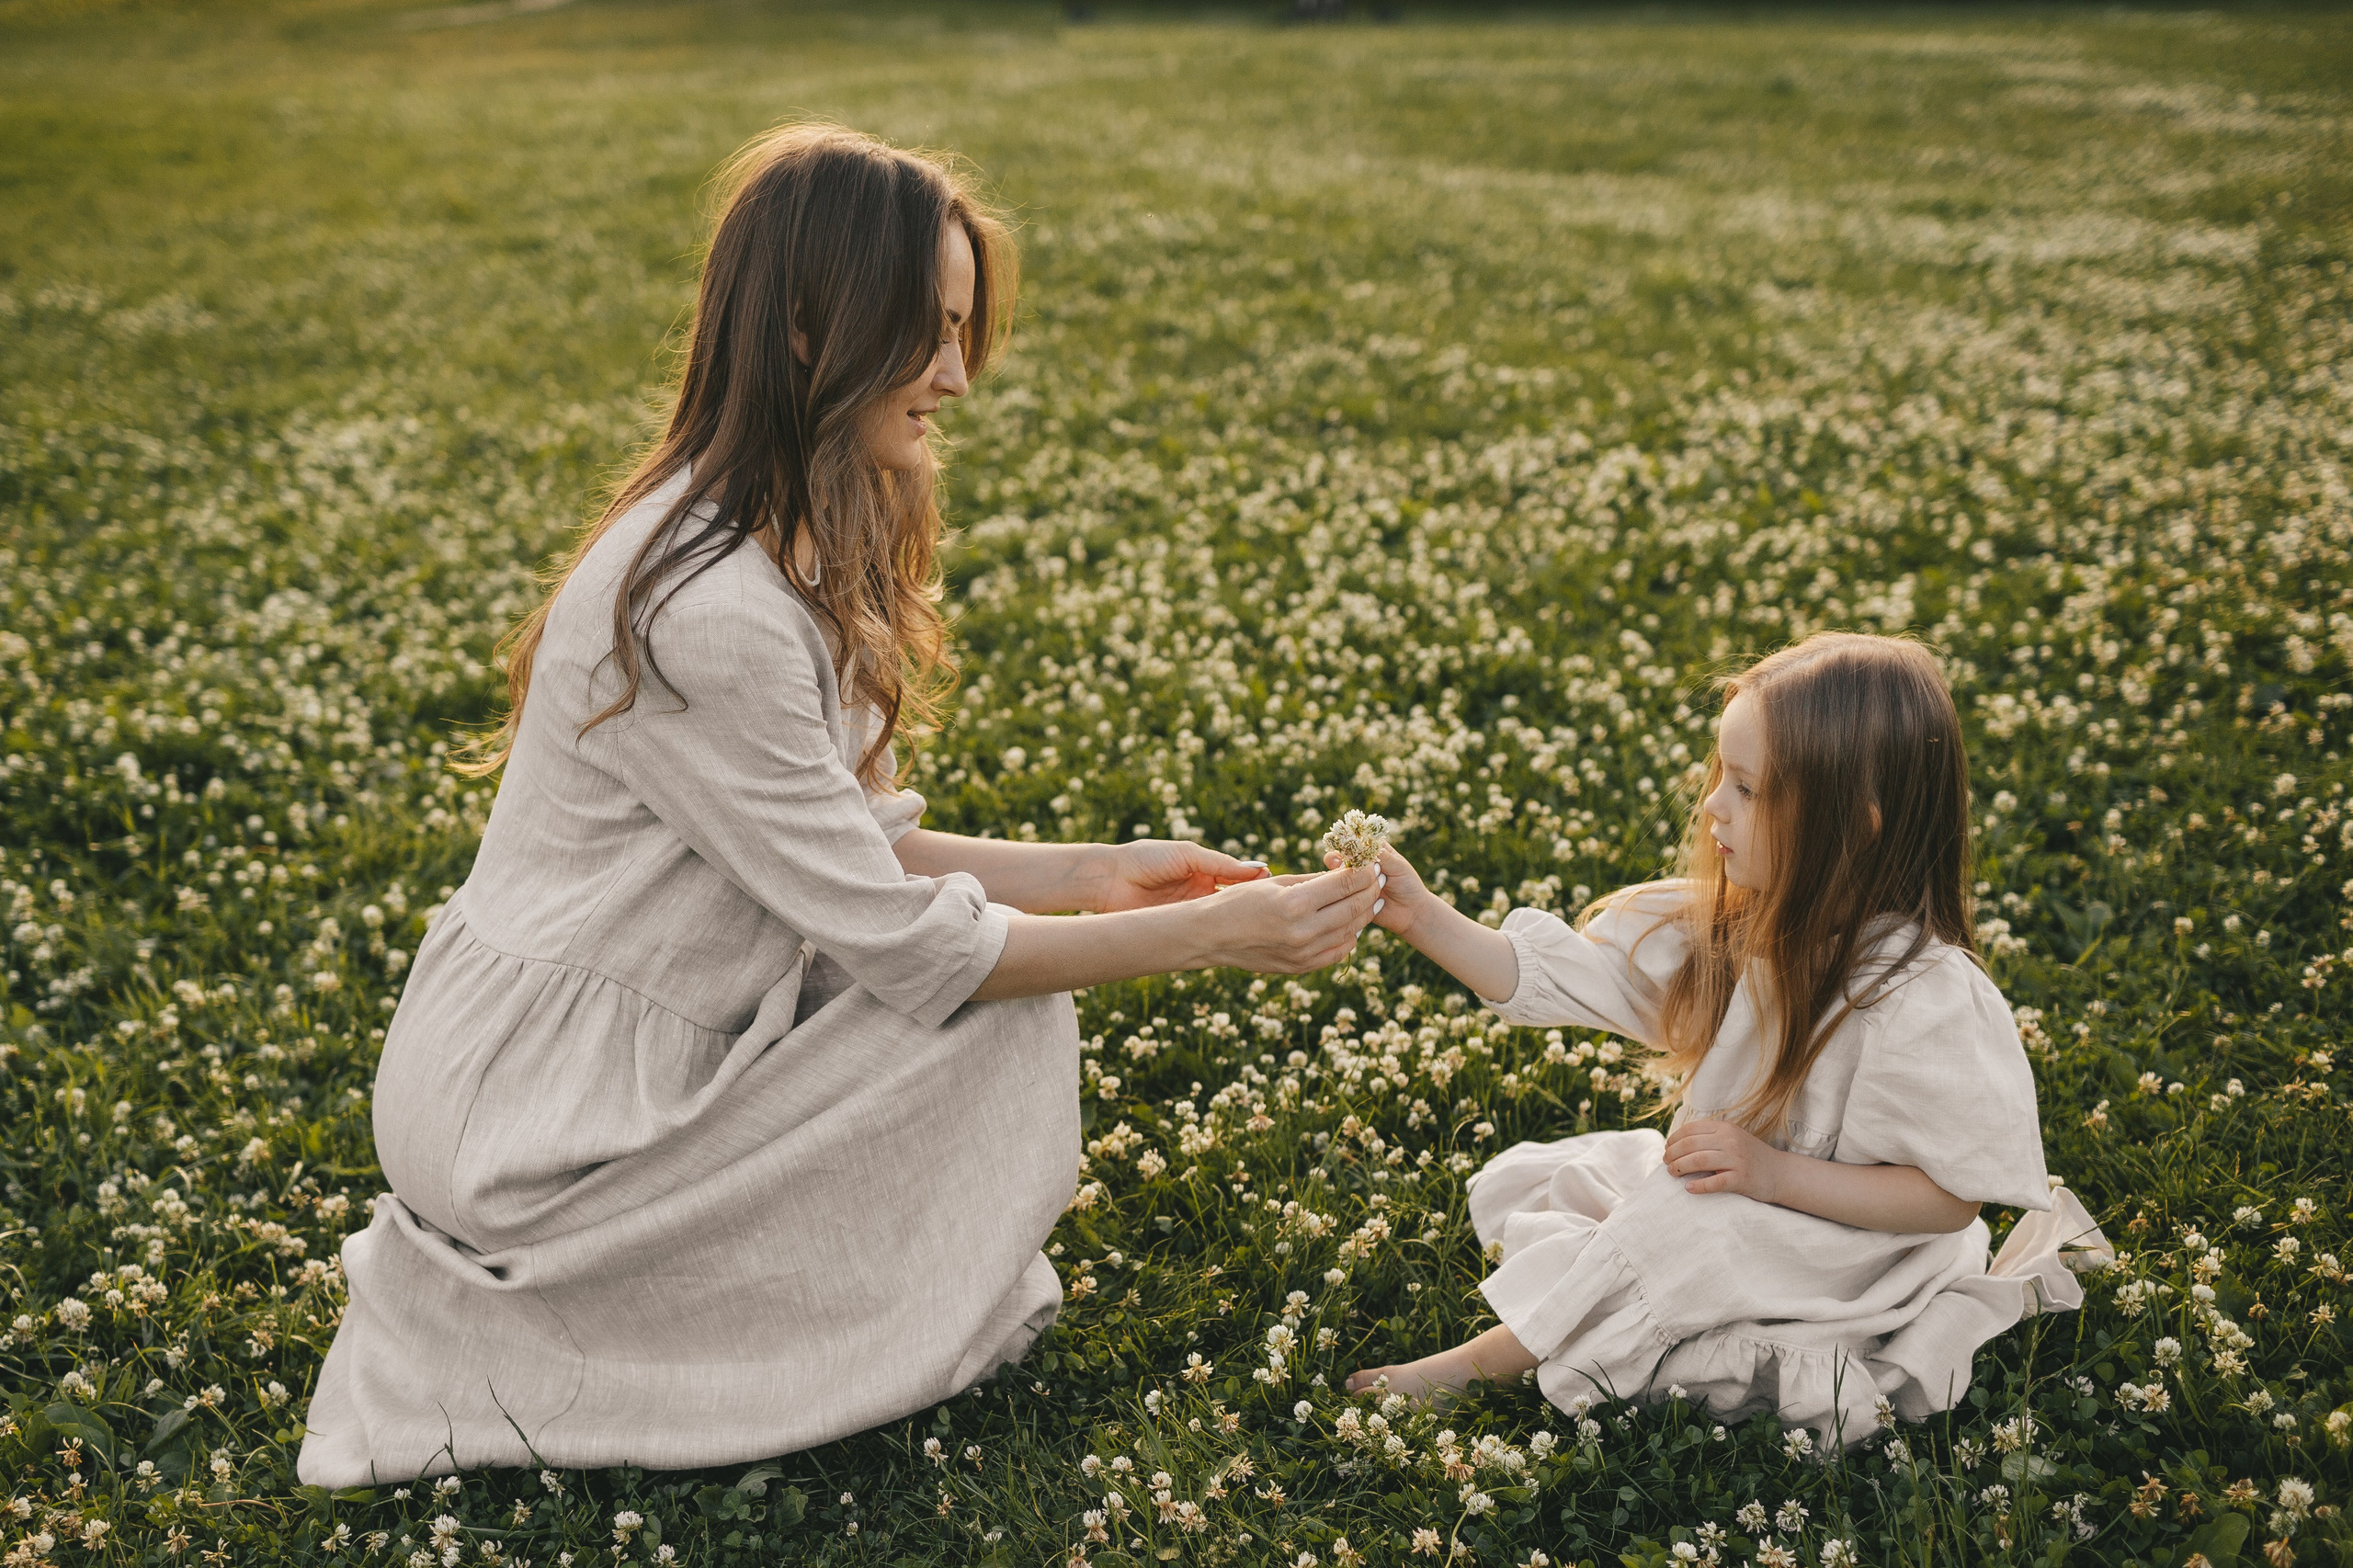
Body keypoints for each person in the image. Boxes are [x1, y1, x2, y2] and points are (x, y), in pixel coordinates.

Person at [296, 124, 1381, 1487]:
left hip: (574, 1049)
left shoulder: (756, 524)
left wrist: (1102, 872)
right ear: (810, 328)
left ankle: (756, 1306)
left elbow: (837, 840)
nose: (956, 376)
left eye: (960, 330)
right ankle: (635, 1330)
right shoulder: (708, 604)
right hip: (537, 1106)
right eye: (925, 332)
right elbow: (915, 945)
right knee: (995, 1004)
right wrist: (1220, 936)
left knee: (997, 977)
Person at [1342, 632, 2109, 1449]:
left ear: (1851, 828)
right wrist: (1422, 916)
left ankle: (1483, 1363)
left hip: (1864, 1256)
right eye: (1720, 775)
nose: (1713, 806)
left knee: (1684, 1219)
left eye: (1745, 788)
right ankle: (1620, 1291)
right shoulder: (1739, 924)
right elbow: (1569, 976)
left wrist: (1775, 1175)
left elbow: (1949, 1201)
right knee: (1578, 1177)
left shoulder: (1922, 998)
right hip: (1760, 1206)